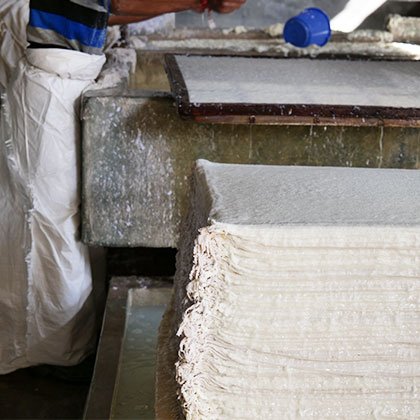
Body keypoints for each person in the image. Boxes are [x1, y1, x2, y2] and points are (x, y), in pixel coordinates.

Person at [0, 0, 245, 375]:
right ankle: (43, 355)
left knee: (67, 220)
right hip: (46, 59)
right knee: (47, 220)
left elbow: (103, 8)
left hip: (68, 56)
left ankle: (67, 345)